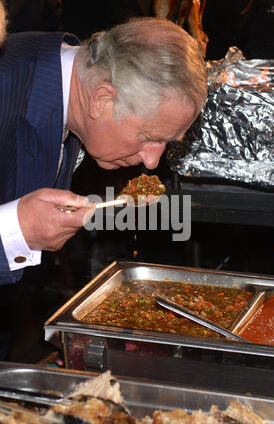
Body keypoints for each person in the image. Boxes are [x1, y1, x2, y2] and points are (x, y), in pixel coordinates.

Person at [0, 17, 207, 285]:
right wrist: (14, 230)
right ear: (102, 100)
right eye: (149, 137)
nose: (152, 160)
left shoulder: (66, 80)